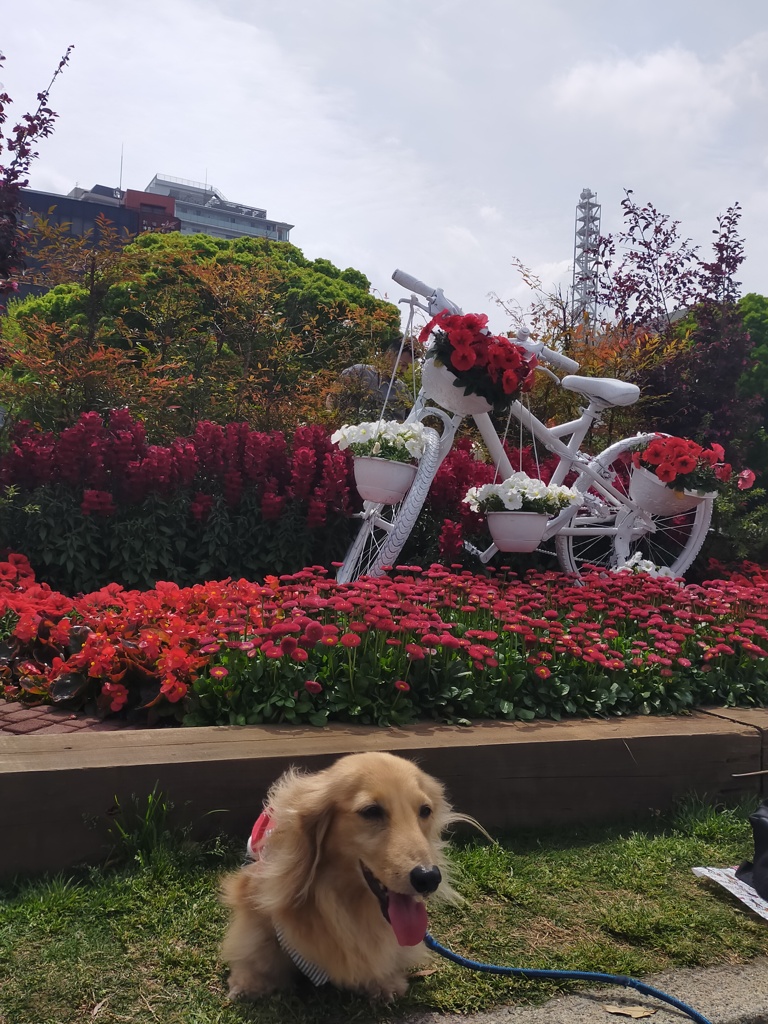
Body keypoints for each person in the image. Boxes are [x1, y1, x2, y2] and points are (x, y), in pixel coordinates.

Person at [326, 337, 414, 421]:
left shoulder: (402, 389)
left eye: (407, 367)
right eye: (402, 364)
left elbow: (412, 418)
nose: (404, 370)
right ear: (390, 355)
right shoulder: (358, 373)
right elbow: (332, 399)